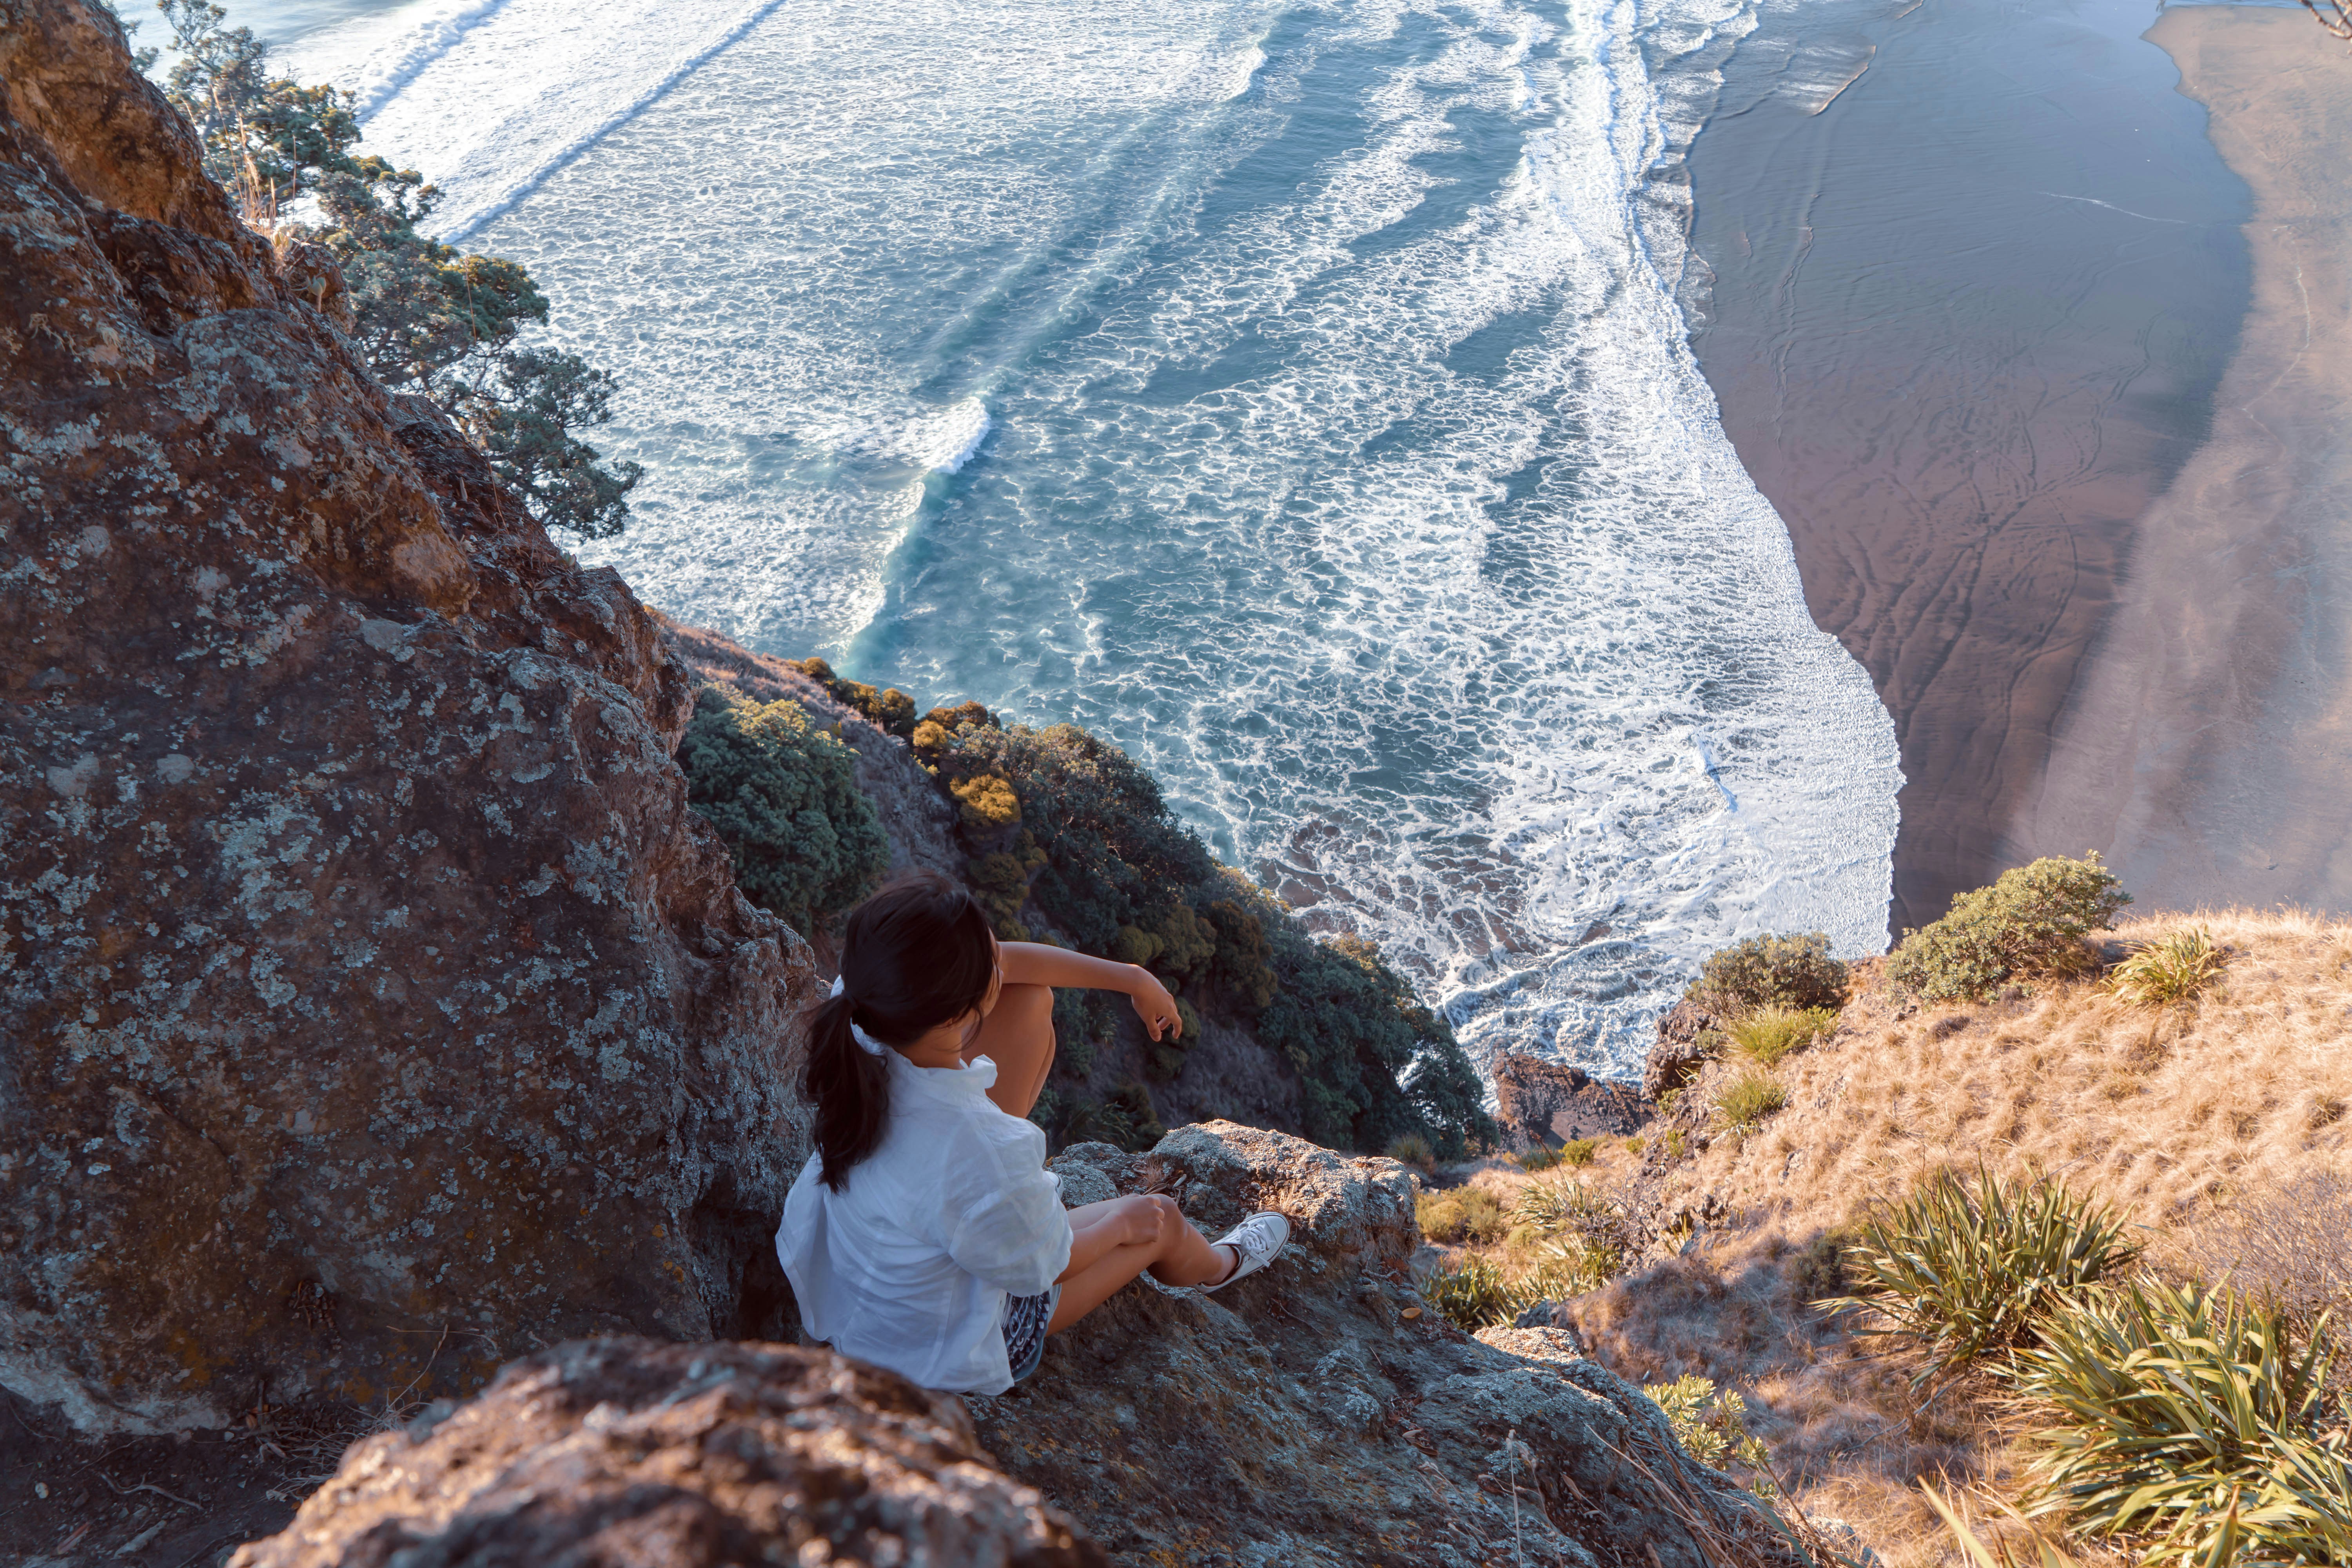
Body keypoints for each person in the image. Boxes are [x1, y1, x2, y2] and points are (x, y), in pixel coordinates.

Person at [775, 870, 1291, 1394]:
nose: (1001, 960)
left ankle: (1005, 1212)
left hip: (859, 1287)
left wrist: (1134, 978)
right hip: (937, 1346)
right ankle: (1221, 1265)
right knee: (1159, 1218)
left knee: (1029, 1000)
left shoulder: (867, 1009)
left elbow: (1013, 968)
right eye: (989, 959)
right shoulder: (982, 1148)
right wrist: (1120, 1226)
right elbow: (1045, 1266)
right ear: (962, 1010)